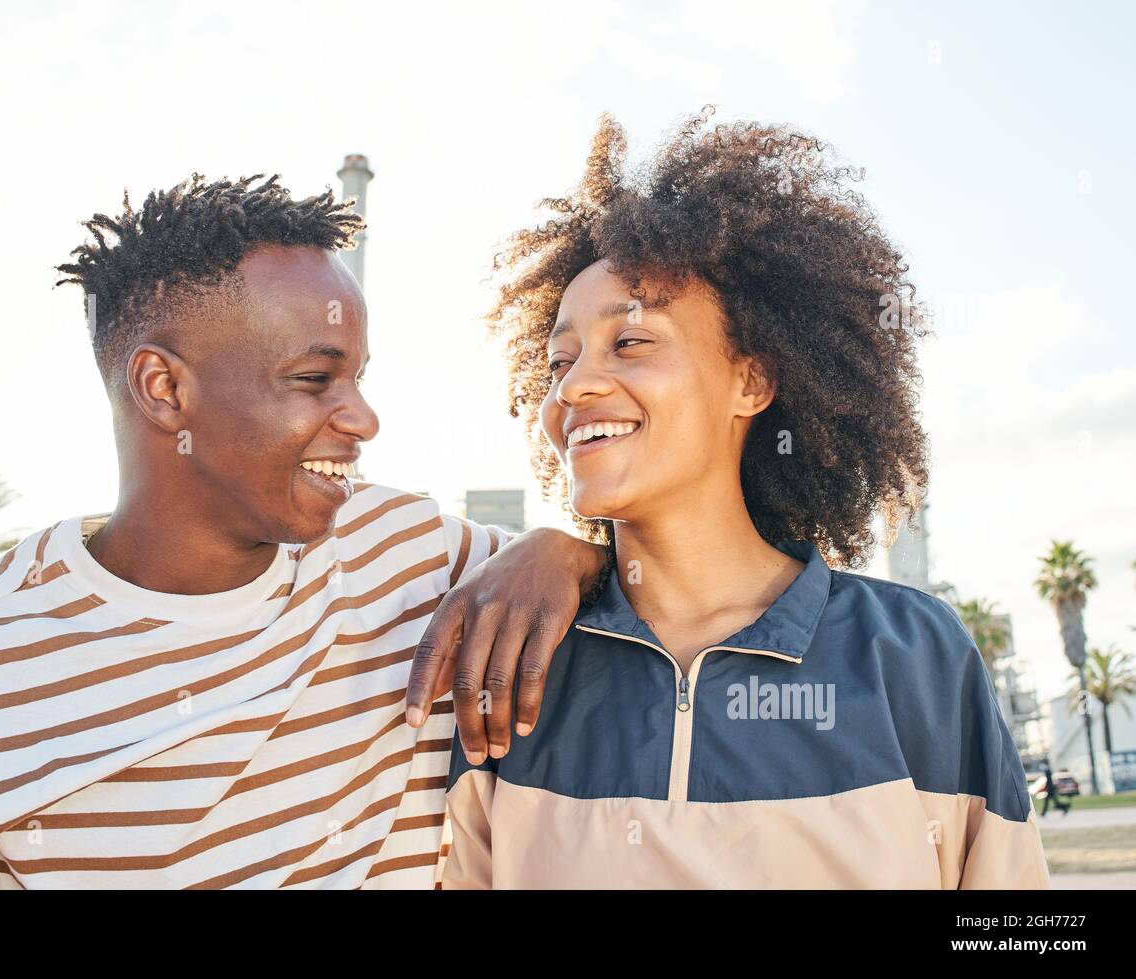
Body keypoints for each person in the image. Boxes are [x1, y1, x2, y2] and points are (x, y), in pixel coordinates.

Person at [0, 174, 604, 889]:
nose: (364, 419)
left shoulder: (411, 552)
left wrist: (565, 551)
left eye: (359, 376)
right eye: (314, 379)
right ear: (164, 388)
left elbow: (639, 578)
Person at [441, 109, 1051, 889]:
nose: (575, 386)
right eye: (561, 359)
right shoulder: (517, 660)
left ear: (751, 380)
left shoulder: (916, 655)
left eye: (631, 342)